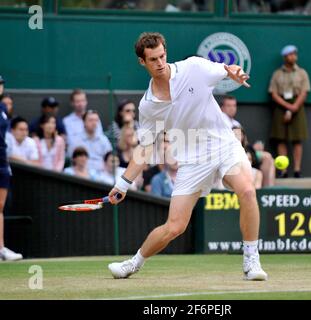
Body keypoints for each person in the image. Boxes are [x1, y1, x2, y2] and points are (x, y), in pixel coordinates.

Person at [107, 32, 267, 281]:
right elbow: (146, 148)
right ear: (142, 62)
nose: (160, 63)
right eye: (153, 59)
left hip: (224, 145)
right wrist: (123, 183)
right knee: (175, 227)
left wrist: (233, 71)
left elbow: (226, 69)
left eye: (162, 56)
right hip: (193, 160)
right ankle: (134, 263)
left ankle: (251, 260)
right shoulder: (148, 106)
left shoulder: (194, 67)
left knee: (247, 191)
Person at [269, 44, 311, 178]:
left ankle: (297, 169)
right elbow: (273, 93)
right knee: (281, 138)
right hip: (281, 106)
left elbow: (304, 91)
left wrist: (294, 107)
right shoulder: (277, 74)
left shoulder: (302, 72)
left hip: (297, 106)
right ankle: (284, 170)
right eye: (290, 54)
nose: (293, 57)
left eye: (295, 54)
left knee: (297, 139)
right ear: (285, 57)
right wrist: (287, 107)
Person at [0, 76, 23, 261]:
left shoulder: (2, 109)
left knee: (0, 206)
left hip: (2, 162)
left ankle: (1, 248)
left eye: (1, 84)